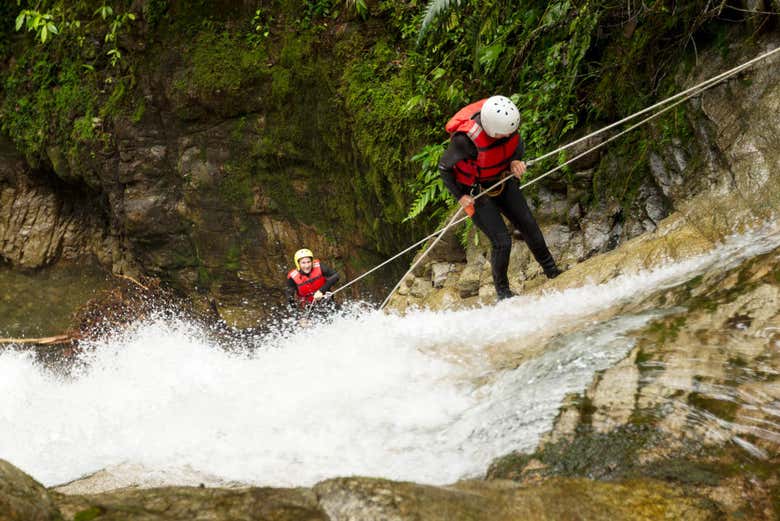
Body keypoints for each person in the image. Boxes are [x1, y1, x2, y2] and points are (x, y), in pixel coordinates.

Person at [438, 95, 562, 300]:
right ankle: (503, 294)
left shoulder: (508, 127)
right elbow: (444, 168)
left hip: (501, 179)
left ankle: (552, 271)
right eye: (502, 135)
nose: (506, 137)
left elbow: (517, 144)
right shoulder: (464, 141)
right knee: (502, 241)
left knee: (528, 223)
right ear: (492, 130)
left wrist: (515, 161)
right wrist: (460, 196)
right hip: (476, 192)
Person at [286, 248, 340, 319]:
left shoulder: (320, 267)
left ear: (312, 261)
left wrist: (321, 291)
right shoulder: (292, 278)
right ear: (298, 263)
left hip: (327, 302)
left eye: (309, 262)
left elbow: (336, 276)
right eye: (303, 263)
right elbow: (290, 299)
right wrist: (298, 318)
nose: (307, 266)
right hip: (310, 308)